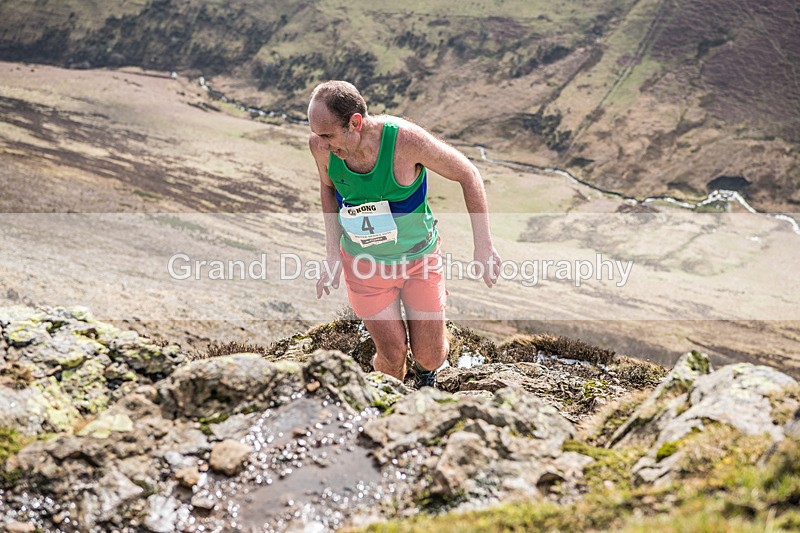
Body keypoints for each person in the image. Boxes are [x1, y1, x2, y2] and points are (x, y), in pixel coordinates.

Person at [307, 80, 501, 386]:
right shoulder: (320, 145)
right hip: (364, 264)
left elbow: (468, 173)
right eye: (318, 135)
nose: (323, 144)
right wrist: (332, 253)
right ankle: (386, 399)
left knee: (429, 355)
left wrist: (484, 245)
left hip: (418, 259)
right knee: (393, 356)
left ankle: (427, 371)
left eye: (329, 136)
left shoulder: (405, 141)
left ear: (355, 123)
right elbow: (328, 188)